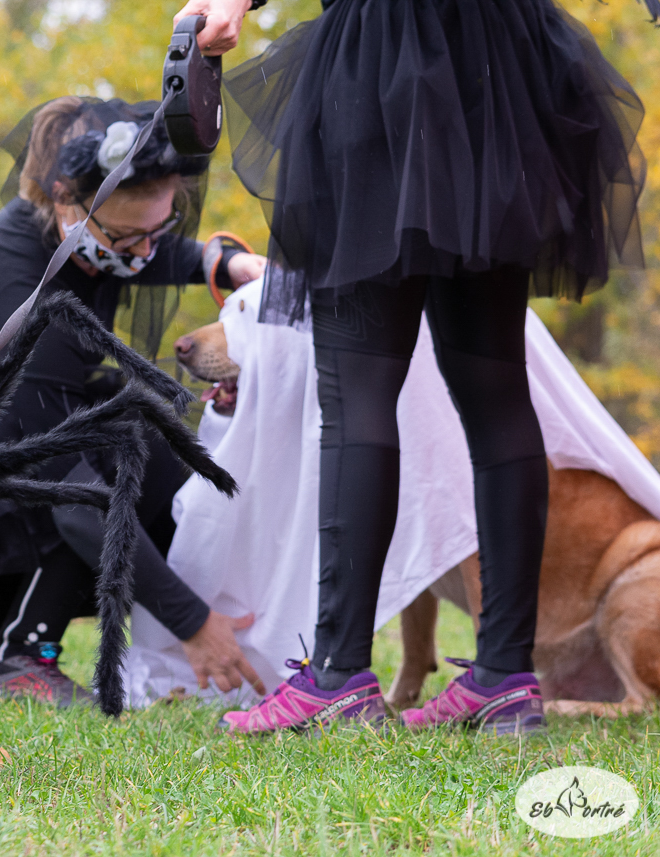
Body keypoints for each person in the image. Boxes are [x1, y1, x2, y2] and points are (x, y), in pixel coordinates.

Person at [177, 0, 646, 734]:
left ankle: (337, 674)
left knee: (358, 395)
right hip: (504, 61)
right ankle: (505, 676)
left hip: (379, 58)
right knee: (497, 389)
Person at [0, 96, 268, 706]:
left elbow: (158, 250)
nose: (145, 253)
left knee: (142, 425)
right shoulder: (25, 293)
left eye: (160, 230)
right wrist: (195, 626)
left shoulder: (87, 235)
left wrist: (229, 262)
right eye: (131, 237)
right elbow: (76, 501)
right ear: (65, 200)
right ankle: (23, 652)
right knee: (116, 449)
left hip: (8, 447)